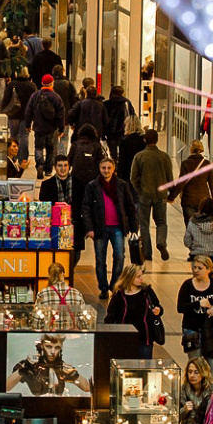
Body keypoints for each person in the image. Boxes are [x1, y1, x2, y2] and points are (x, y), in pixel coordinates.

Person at [80, 158, 138, 300]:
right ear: (99, 169)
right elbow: (86, 207)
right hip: (100, 228)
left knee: (119, 256)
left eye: (108, 168)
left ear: (113, 169)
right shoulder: (93, 186)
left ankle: (115, 285)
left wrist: (133, 227)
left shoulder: (122, 185)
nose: (106, 171)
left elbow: (130, 207)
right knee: (100, 259)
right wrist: (89, 228)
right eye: (103, 168)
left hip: (118, 227)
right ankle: (103, 288)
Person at [130, 129, 174, 261]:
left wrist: (139, 190)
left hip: (144, 194)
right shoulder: (164, 157)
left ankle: (147, 252)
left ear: (145, 140)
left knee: (144, 224)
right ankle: (161, 242)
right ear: (157, 140)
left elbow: (133, 178)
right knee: (161, 222)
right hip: (160, 195)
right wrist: (170, 193)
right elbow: (170, 178)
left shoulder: (139, 156)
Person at [105, 264, 164, 359]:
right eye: (138, 277)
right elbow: (110, 316)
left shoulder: (147, 291)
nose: (141, 279)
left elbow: (158, 307)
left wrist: (158, 311)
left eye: (141, 276)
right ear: (129, 277)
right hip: (125, 339)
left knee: (144, 370)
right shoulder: (119, 295)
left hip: (145, 338)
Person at [6, 333, 92, 395]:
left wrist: (73, 373)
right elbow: (6, 387)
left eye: (57, 347)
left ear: (60, 348)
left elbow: (87, 388)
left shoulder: (62, 366)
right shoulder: (29, 364)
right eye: (49, 347)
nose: (53, 352)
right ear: (42, 346)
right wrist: (24, 369)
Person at [177, 255, 213, 360]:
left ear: (208, 269)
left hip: (211, 330)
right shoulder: (187, 285)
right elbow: (180, 307)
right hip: (191, 328)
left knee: (211, 364)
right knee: (195, 363)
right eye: (194, 267)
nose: (196, 270)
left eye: (200, 268)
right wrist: (198, 303)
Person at [24, 74, 66, 177]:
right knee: (50, 149)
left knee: (38, 147)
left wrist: (28, 124)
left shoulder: (35, 96)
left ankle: (39, 165)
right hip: (52, 128)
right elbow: (61, 114)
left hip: (39, 127)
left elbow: (28, 111)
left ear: (42, 83)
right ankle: (48, 169)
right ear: (52, 84)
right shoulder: (56, 97)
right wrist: (61, 128)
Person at [169, 140, 213, 228]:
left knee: (190, 228)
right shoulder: (207, 164)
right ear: (201, 149)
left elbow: (181, 183)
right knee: (203, 228)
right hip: (203, 200)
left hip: (188, 200)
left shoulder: (185, 164)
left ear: (191, 149)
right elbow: (212, 185)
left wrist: (171, 196)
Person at [1, 71, 37, 159]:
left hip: (13, 114)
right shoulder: (31, 86)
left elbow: (6, 99)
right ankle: (23, 159)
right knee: (24, 136)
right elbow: (35, 101)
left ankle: (12, 157)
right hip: (26, 115)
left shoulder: (11, 85)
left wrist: (3, 109)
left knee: (13, 136)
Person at [35, 262, 82, 329]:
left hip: (50, 337)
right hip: (71, 336)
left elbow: (36, 322)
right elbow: (83, 322)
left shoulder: (42, 294)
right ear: (63, 274)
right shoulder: (76, 294)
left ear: (49, 275)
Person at [181, 357, 213, 424]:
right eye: (190, 372)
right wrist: (184, 410)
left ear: (203, 373)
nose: (192, 375)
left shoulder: (212, 391)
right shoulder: (184, 389)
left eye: (196, 372)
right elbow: (176, 416)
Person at [103, 85, 135, 160]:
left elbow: (103, 120)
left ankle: (114, 168)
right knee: (123, 153)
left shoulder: (106, 104)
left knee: (113, 154)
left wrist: (103, 134)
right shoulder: (126, 103)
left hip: (110, 133)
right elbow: (132, 115)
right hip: (124, 132)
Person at [51, 64, 78, 152]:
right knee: (64, 136)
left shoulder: (51, 84)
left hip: (52, 115)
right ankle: (62, 155)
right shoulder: (68, 84)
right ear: (63, 72)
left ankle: (54, 156)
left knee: (53, 137)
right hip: (65, 115)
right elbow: (73, 100)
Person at [116, 116, 146, 184]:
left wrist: (119, 178)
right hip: (142, 173)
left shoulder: (124, 141)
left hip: (128, 174)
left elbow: (122, 162)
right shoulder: (144, 140)